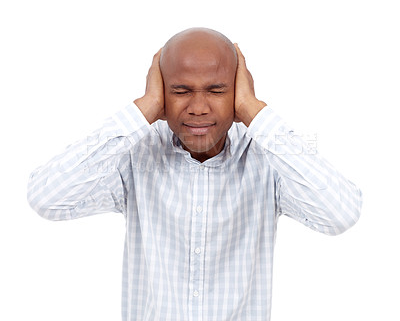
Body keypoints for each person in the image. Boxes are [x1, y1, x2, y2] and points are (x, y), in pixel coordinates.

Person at [27, 27, 362, 321]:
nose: (199, 107)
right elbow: (46, 197)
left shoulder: (267, 158)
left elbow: (341, 213)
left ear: (237, 90)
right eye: (181, 91)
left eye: (217, 91)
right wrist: (143, 108)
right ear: (161, 94)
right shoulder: (136, 155)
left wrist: (253, 111)